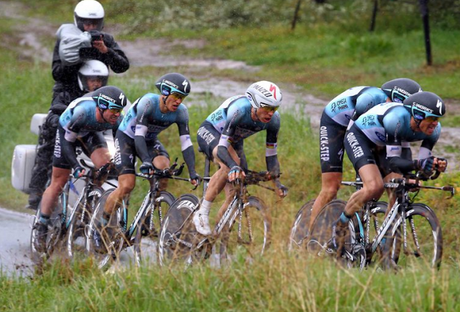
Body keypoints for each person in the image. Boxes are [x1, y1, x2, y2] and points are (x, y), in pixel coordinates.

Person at [27, 0, 129, 210]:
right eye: (86, 23)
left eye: (94, 23)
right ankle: (37, 191)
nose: (90, 27)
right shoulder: (67, 39)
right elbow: (57, 73)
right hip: (66, 95)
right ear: (77, 20)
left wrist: (104, 51)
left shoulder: (105, 39)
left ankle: (103, 185)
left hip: (97, 97)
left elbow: (122, 65)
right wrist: (78, 55)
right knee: (52, 129)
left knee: (113, 129)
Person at [331, 91, 447, 257]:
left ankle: (384, 247)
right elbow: (394, 162)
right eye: (432, 118)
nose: (435, 124)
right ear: (419, 115)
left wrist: (433, 166)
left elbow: (421, 165)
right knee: (373, 186)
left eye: (438, 119)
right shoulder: (397, 119)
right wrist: (416, 165)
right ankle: (340, 226)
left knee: (402, 188)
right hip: (361, 137)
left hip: (387, 142)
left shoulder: (433, 131)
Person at [92, 73, 199, 249]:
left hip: (149, 140)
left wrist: (193, 171)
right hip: (127, 138)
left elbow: (186, 144)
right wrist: (146, 162)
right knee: (127, 185)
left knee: (164, 170)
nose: (179, 101)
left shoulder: (181, 113)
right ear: (165, 93)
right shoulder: (148, 103)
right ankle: (100, 226)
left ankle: (147, 220)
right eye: (176, 96)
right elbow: (138, 136)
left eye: (183, 97)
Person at [309, 78, 422, 228]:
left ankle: (387, 241)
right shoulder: (370, 99)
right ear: (396, 100)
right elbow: (351, 137)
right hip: (336, 123)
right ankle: (308, 238)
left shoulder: (397, 116)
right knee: (331, 187)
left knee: (395, 184)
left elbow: (401, 146)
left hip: (366, 129)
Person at [33, 86, 128, 252]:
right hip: (67, 133)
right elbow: (67, 143)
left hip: (90, 133)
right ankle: (42, 225)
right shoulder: (83, 112)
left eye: (120, 110)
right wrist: (76, 166)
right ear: (102, 106)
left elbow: (122, 144)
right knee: (59, 180)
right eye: (114, 110)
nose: (117, 114)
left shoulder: (116, 120)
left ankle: (90, 203)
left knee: (105, 165)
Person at [194, 80, 289, 236]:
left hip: (234, 141)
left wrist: (276, 181)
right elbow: (223, 148)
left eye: (274, 108)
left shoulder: (274, 120)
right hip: (211, 132)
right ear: (256, 104)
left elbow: (271, 154)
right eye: (267, 108)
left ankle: (215, 237)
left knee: (235, 192)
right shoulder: (239, 110)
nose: (271, 113)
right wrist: (233, 166)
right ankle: (202, 213)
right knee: (230, 165)